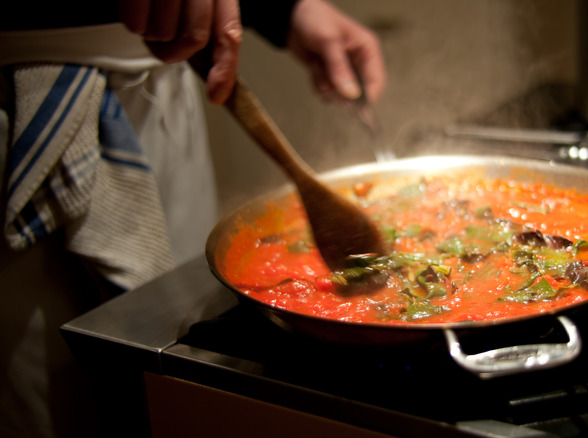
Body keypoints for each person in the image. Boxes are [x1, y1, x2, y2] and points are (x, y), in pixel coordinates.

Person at [0, 1, 385, 437]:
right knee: (59, 400)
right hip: (20, 110)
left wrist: (285, 10)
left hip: (166, 79)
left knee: (179, 348)